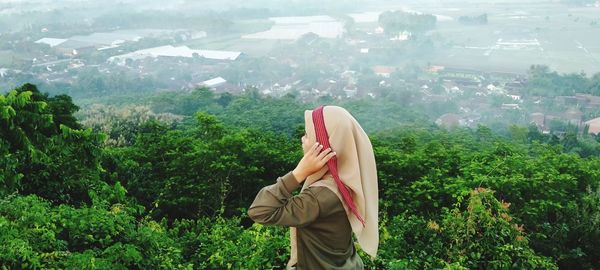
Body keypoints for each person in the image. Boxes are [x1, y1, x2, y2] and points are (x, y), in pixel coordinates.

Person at [248, 105, 378, 269]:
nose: (302, 139)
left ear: (323, 144)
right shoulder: (350, 178)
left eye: (308, 135)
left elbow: (259, 211)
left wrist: (298, 173)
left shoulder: (318, 197)